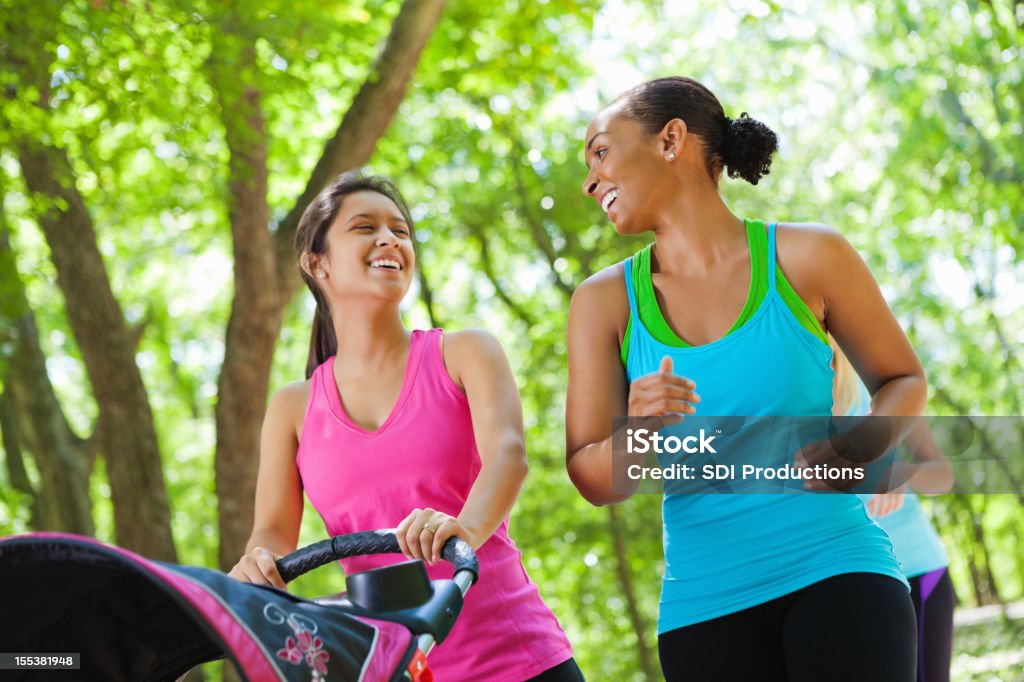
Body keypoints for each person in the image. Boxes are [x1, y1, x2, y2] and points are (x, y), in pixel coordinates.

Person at [566, 76, 925, 681]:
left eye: (600, 150)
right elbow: (593, 477)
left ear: (670, 140)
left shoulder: (809, 256)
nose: (589, 179)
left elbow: (903, 378)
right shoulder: (603, 303)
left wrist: (855, 449)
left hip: (839, 573)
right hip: (703, 610)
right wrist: (641, 434)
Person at [229, 173, 582, 681]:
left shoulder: (464, 353)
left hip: (521, 659)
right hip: (398, 668)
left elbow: (508, 456)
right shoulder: (291, 408)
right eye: (365, 227)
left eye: (401, 229)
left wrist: (466, 528)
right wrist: (258, 566)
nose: (390, 239)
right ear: (316, 262)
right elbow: (273, 532)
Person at [833, 340, 957, 682]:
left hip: (919, 571)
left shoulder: (882, 391)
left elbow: (942, 474)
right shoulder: (783, 407)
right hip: (844, 585)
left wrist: (904, 473)